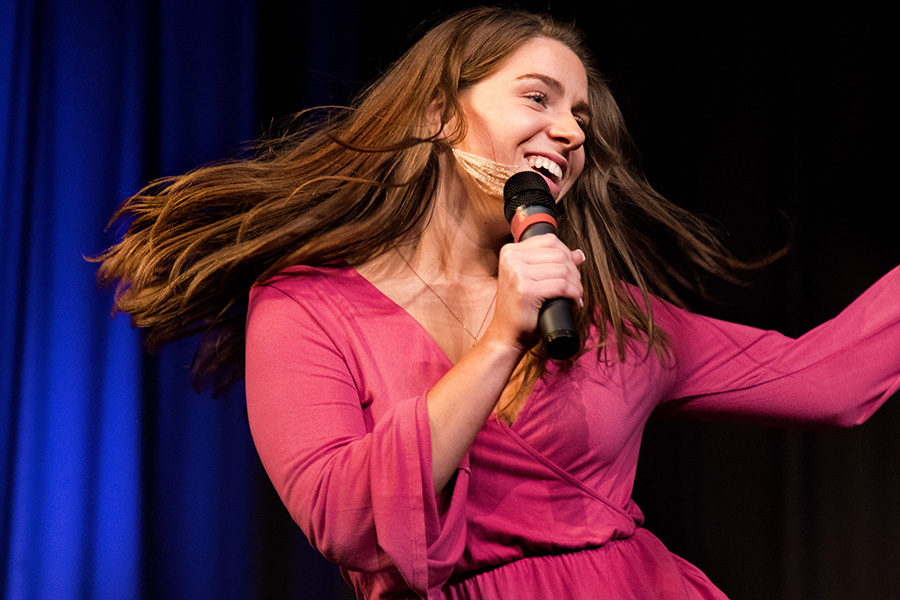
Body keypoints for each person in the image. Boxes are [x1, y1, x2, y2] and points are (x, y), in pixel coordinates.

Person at [95, 7, 899, 599]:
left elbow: (835, 378)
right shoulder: (308, 306)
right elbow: (346, 519)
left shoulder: (609, 314)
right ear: (442, 115)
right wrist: (497, 343)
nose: (572, 132)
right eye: (540, 98)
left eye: (581, 117)